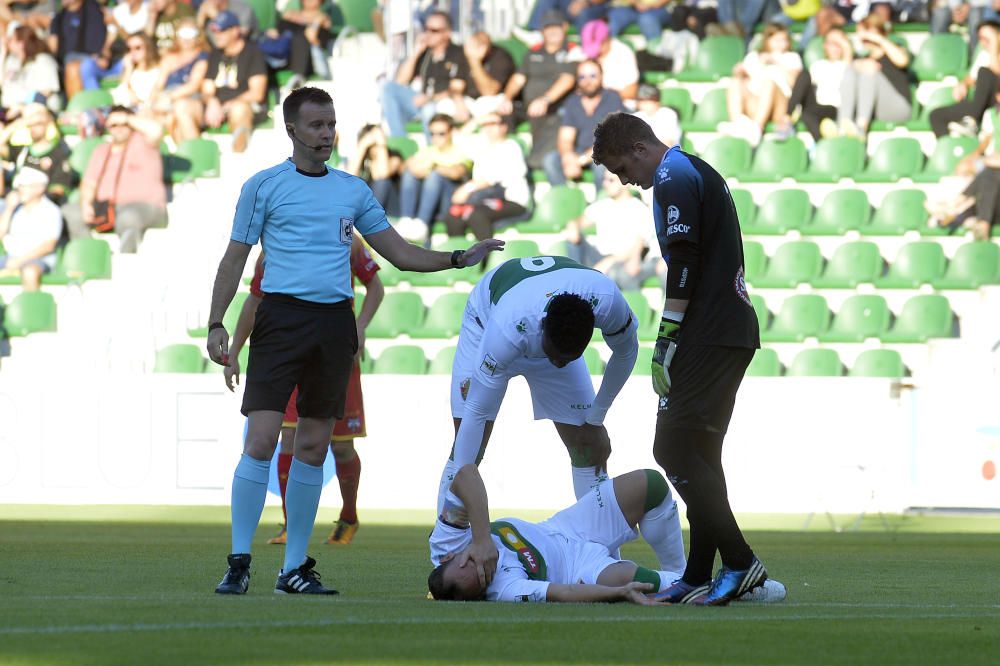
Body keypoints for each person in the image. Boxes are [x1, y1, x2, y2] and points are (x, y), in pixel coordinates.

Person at [207, 86, 503, 596]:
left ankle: (293, 568)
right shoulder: (263, 185)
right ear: (292, 130)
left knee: (316, 443)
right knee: (260, 439)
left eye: (331, 124)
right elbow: (235, 258)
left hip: (333, 324)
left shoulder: (352, 190)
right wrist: (217, 323)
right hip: (280, 318)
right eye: (317, 125)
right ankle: (238, 560)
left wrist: (458, 257)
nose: (326, 133)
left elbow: (400, 254)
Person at [593, 112, 766, 606]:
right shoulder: (689, 171)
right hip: (727, 329)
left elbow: (685, 262)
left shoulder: (673, 176)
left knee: (671, 448)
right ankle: (697, 574)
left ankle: (739, 560)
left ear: (640, 149)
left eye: (623, 168)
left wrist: (666, 336)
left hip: (709, 332)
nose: (625, 180)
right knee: (701, 455)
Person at [434, 254, 640, 525]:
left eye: (567, 359)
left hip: (537, 322)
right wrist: (464, 476)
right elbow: (475, 410)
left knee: (589, 444)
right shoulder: (505, 330)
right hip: (487, 322)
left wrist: (596, 418)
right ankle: (447, 542)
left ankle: (602, 551)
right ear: (543, 328)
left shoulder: (607, 301)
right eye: (555, 356)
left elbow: (626, 353)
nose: (558, 364)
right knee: (469, 446)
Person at [429, 464, 788, 604]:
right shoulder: (504, 590)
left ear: (450, 557)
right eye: (483, 578)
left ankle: (683, 573)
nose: (484, 567)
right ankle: (716, 588)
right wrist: (618, 592)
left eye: (472, 564)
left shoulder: (449, 541)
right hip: (577, 567)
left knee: (650, 483)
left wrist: (479, 540)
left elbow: (465, 475)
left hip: (566, 526)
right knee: (633, 580)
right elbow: (564, 590)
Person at [225, 235, 385, 546]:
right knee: (287, 437)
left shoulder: (345, 240)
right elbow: (254, 301)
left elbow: (376, 287)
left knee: (340, 447)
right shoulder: (272, 249)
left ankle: (349, 516)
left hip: (335, 353)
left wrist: (359, 327)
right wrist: (234, 352)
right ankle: (289, 523)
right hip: (288, 356)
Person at [62, 105, 167, 254]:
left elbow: (156, 130)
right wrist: (86, 204)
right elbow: (89, 182)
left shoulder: (144, 142)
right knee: (70, 212)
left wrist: (127, 117)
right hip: (107, 209)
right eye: (113, 125)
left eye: (124, 125)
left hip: (147, 208)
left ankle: (126, 260)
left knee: (128, 217)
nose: (119, 128)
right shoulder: (101, 150)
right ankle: (94, 255)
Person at [498, 10, 583, 177]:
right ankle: (505, 162)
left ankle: (537, 162)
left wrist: (545, 99)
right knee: (501, 115)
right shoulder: (534, 52)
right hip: (530, 105)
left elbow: (567, 80)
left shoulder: (572, 50)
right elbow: (518, 78)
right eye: (548, 27)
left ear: (564, 28)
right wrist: (506, 98)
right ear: (542, 31)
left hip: (557, 106)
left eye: (556, 27)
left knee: (555, 118)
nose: (552, 31)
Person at [564, 170, 662, 291]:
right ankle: (576, 284)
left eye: (611, 180)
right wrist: (573, 225)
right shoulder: (603, 205)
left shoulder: (638, 209)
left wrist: (608, 262)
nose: (605, 184)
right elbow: (580, 222)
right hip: (599, 256)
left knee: (614, 272)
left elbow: (638, 246)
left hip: (620, 260)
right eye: (604, 180)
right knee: (572, 241)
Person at [379, 10, 471, 138]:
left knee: (429, 110)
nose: (428, 34)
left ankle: (431, 151)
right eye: (426, 29)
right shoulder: (425, 53)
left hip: (443, 102)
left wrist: (430, 98)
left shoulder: (458, 53)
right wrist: (416, 52)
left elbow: (457, 88)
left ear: (447, 33)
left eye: (434, 31)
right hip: (421, 100)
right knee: (388, 88)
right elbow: (401, 81)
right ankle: (400, 140)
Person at [444, 112, 530, 243]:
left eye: (493, 123)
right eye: (485, 124)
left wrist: (466, 189)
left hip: (512, 201)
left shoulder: (511, 147)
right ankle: (458, 260)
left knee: (477, 215)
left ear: (504, 127)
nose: (488, 127)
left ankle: (485, 260)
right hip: (484, 199)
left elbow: (492, 178)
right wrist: (478, 119)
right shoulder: (481, 146)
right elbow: (457, 138)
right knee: (453, 216)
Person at [544, 59, 626, 193]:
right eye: (582, 76)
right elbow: (565, 138)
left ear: (601, 76)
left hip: (606, 153)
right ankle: (566, 202)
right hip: (579, 152)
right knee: (550, 160)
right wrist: (568, 157)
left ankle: (599, 205)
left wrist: (580, 161)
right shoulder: (572, 102)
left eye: (593, 75)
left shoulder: (613, 98)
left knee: (602, 166)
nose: (588, 81)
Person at [395, 113, 471, 245]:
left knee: (434, 176)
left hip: (448, 201)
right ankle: (407, 219)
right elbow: (407, 166)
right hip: (428, 199)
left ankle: (422, 224)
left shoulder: (460, 151)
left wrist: (432, 167)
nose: (436, 138)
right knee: (409, 174)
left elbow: (458, 172)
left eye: (441, 133)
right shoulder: (428, 151)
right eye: (432, 133)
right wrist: (413, 166)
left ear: (451, 132)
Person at [721, 22, 802, 147]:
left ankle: (756, 129)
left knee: (769, 83)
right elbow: (743, 78)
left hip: (780, 107)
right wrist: (739, 72)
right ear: (767, 40)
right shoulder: (753, 57)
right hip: (755, 103)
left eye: (783, 40)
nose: (780, 44)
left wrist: (776, 62)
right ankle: (736, 123)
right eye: (776, 40)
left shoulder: (792, 58)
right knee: (735, 83)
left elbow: (795, 83)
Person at [198, 10, 268, 153]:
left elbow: (257, 93)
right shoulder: (215, 53)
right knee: (183, 107)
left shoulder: (253, 53)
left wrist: (230, 104)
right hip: (216, 109)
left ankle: (237, 156)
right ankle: (199, 158)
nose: (216, 35)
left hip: (245, 106)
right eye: (214, 31)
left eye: (221, 31)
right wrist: (212, 102)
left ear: (235, 31)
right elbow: (206, 89)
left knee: (239, 109)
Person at [835, 12, 912, 138]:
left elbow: (902, 60)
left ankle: (860, 129)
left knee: (869, 70)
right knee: (850, 71)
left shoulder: (895, 49)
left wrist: (878, 38)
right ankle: (843, 125)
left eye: (867, 30)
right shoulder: (863, 58)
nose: (863, 36)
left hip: (898, 107)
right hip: (875, 110)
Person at [929, 19, 1000, 138]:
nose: (983, 43)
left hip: (994, 103)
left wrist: (994, 47)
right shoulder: (984, 55)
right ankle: (947, 146)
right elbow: (972, 77)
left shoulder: (990, 55)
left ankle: (972, 118)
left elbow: (994, 68)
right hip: (981, 104)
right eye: (981, 39)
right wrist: (963, 84)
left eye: (987, 39)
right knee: (936, 115)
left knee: (984, 72)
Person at [781, 26, 852, 141]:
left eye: (838, 44)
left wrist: (844, 44)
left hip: (834, 107)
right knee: (804, 75)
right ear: (825, 46)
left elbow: (848, 61)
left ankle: (822, 144)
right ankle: (787, 117)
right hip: (815, 103)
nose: (835, 48)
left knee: (808, 114)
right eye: (831, 43)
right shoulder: (818, 65)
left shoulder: (847, 66)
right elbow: (802, 85)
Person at [0, 167, 62, 291]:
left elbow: (49, 245)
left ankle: (32, 308)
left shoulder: (51, 211)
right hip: (11, 257)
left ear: (40, 188)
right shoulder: (15, 209)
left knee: (30, 272)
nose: (21, 190)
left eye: (25, 186)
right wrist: (9, 208)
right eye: (20, 187)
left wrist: (20, 260)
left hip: (38, 259)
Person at [0, 103, 75, 205]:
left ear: (48, 124)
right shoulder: (23, 150)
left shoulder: (59, 153)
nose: (33, 128)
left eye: (38, 124)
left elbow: (58, 189)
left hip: (41, 205)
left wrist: (33, 197)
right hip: (15, 201)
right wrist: (20, 122)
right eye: (30, 125)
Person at [154, 17, 209, 143]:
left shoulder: (202, 57)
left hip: (191, 100)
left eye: (191, 34)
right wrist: (156, 99)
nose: (186, 38)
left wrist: (168, 99)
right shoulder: (169, 57)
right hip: (167, 100)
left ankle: (196, 153)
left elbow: (193, 85)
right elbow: (158, 85)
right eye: (183, 34)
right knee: (150, 115)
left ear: (198, 36)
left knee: (180, 109)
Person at [47, 0, 107, 99]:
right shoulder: (59, 17)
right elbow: (52, 45)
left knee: (74, 68)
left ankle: (78, 109)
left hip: (91, 58)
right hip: (65, 60)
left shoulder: (92, 9)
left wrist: (102, 56)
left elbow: (100, 43)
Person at [345, 124, 404, 216]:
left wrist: (381, 145)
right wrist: (362, 146)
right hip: (366, 210)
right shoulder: (359, 159)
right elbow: (347, 179)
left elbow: (381, 175)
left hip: (390, 209)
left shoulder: (394, 156)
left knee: (382, 182)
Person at [1, 24, 61, 113]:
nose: (7, 43)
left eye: (11, 40)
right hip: (11, 111)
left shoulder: (43, 60)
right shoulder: (12, 62)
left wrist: (21, 107)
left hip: (38, 111)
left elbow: (44, 94)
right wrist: (3, 53)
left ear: (21, 43)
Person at [580, 19, 639, 102]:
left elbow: (631, 92)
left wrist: (600, 97)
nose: (594, 53)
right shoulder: (581, 54)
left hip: (618, 105)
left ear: (606, 39)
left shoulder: (623, 53)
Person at [632, 83, 681, 148]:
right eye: (642, 101)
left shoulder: (668, 114)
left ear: (657, 101)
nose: (645, 105)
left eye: (648, 101)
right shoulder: (635, 116)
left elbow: (668, 143)